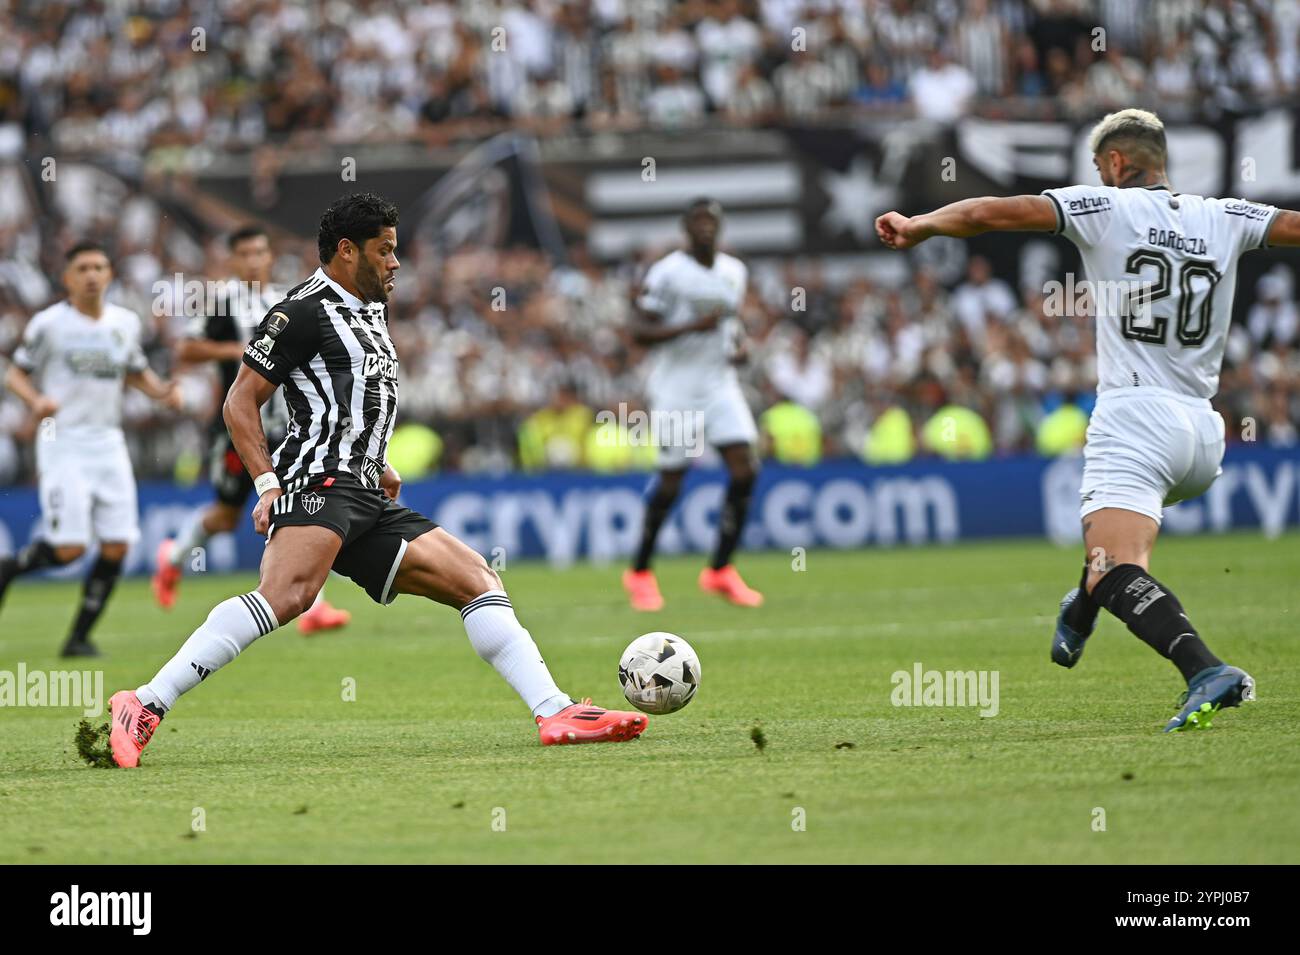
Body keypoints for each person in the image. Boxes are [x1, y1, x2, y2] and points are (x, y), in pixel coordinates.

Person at [105, 193, 647, 767]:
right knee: (288, 596)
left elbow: (354, 402)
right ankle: (143, 703)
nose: (395, 263)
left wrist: (379, 461)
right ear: (347, 251)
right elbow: (240, 403)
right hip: (320, 482)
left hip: (363, 487)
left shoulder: (367, 311)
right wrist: (266, 485)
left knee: (478, 580)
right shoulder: (301, 313)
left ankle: (554, 711)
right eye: (385, 251)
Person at [874, 107, 1300, 732]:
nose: (1098, 177)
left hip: (1135, 418)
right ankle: (1081, 610)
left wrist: (920, 225)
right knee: (1105, 556)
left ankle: (1205, 669)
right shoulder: (1227, 216)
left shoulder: (1104, 208)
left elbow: (991, 211)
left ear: (1117, 164)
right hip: (1204, 435)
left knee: (1111, 569)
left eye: (1100, 167)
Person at [151, 225, 350, 634]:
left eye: (261, 251)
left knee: (303, 505)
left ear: (269, 255)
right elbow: (186, 349)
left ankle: (313, 606)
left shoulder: (288, 298)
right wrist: (234, 349)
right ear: (233, 260)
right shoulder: (224, 302)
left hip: (291, 426)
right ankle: (172, 558)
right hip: (240, 429)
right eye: (246, 254)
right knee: (225, 518)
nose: (255, 260)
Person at [0, 241, 182, 656]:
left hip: (109, 441)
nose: (92, 275)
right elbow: (15, 375)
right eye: (82, 268)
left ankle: (78, 638)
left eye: (99, 266)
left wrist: (162, 393)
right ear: (67, 278)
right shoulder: (49, 324)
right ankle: (9, 568)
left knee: (118, 544)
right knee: (69, 549)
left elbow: (134, 371)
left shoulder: (124, 323)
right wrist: (36, 401)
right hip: (63, 441)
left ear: (110, 275)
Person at [623, 198, 763, 612]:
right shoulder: (668, 273)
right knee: (671, 483)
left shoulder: (734, 271)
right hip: (677, 390)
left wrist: (739, 348)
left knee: (745, 469)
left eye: (712, 221)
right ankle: (641, 572)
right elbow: (638, 331)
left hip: (721, 385)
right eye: (698, 221)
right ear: (686, 227)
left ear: (720, 227)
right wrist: (689, 327)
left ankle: (720, 569)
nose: (705, 228)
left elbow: (731, 326)